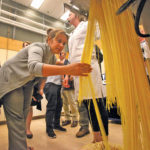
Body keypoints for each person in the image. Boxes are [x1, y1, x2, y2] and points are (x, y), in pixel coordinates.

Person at [0, 29, 92, 150]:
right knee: (17, 118)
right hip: (11, 78)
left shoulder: (51, 57)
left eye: (64, 43)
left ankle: (20, 145)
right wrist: (68, 69)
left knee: (23, 114)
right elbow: (34, 67)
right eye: (59, 41)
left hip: (26, 83)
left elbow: (57, 64)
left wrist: (76, 66)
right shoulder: (37, 47)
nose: (61, 45)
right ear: (49, 39)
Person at [67, 12, 108, 142]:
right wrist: (70, 74)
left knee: (97, 103)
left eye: (70, 14)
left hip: (89, 68)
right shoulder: (72, 35)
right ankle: (96, 137)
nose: (68, 16)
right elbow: (71, 56)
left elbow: (101, 30)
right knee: (87, 104)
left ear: (78, 15)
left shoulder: (87, 25)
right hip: (78, 73)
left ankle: (103, 138)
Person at [60, 51, 78, 127]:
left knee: (72, 102)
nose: (61, 54)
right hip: (62, 86)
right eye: (60, 53)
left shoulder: (69, 61)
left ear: (65, 54)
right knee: (64, 103)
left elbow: (73, 70)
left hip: (69, 85)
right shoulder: (59, 63)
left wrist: (71, 76)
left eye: (63, 53)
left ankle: (75, 119)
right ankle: (67, 119)